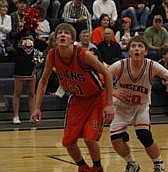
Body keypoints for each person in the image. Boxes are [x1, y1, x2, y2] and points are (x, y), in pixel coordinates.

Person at [30, 23, 114, 172]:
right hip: (77, 99)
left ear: (72, 40)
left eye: (66, 33)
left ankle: (98, 167)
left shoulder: (84, 54)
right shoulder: (52, 55)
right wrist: (36, 108)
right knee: (68, 142)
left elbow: (107, 73)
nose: (63, 35)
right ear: (56, 40)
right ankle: (82, 167)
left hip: (97, 97)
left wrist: (109, 104)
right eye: (60, 33)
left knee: (90, 139)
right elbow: (43, 81)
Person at [109, 35, 168, 172]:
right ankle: (132, 163)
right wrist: (114, 93)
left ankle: (159, 165)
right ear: (129, 51)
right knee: (115, 140)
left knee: (144, 135)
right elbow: (102, 79)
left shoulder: (152, 66)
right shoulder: (120, 65)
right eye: (133, 46)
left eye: (140, 46)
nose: (137, 49)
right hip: (122, 107)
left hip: (141, 106)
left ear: (145, 51)